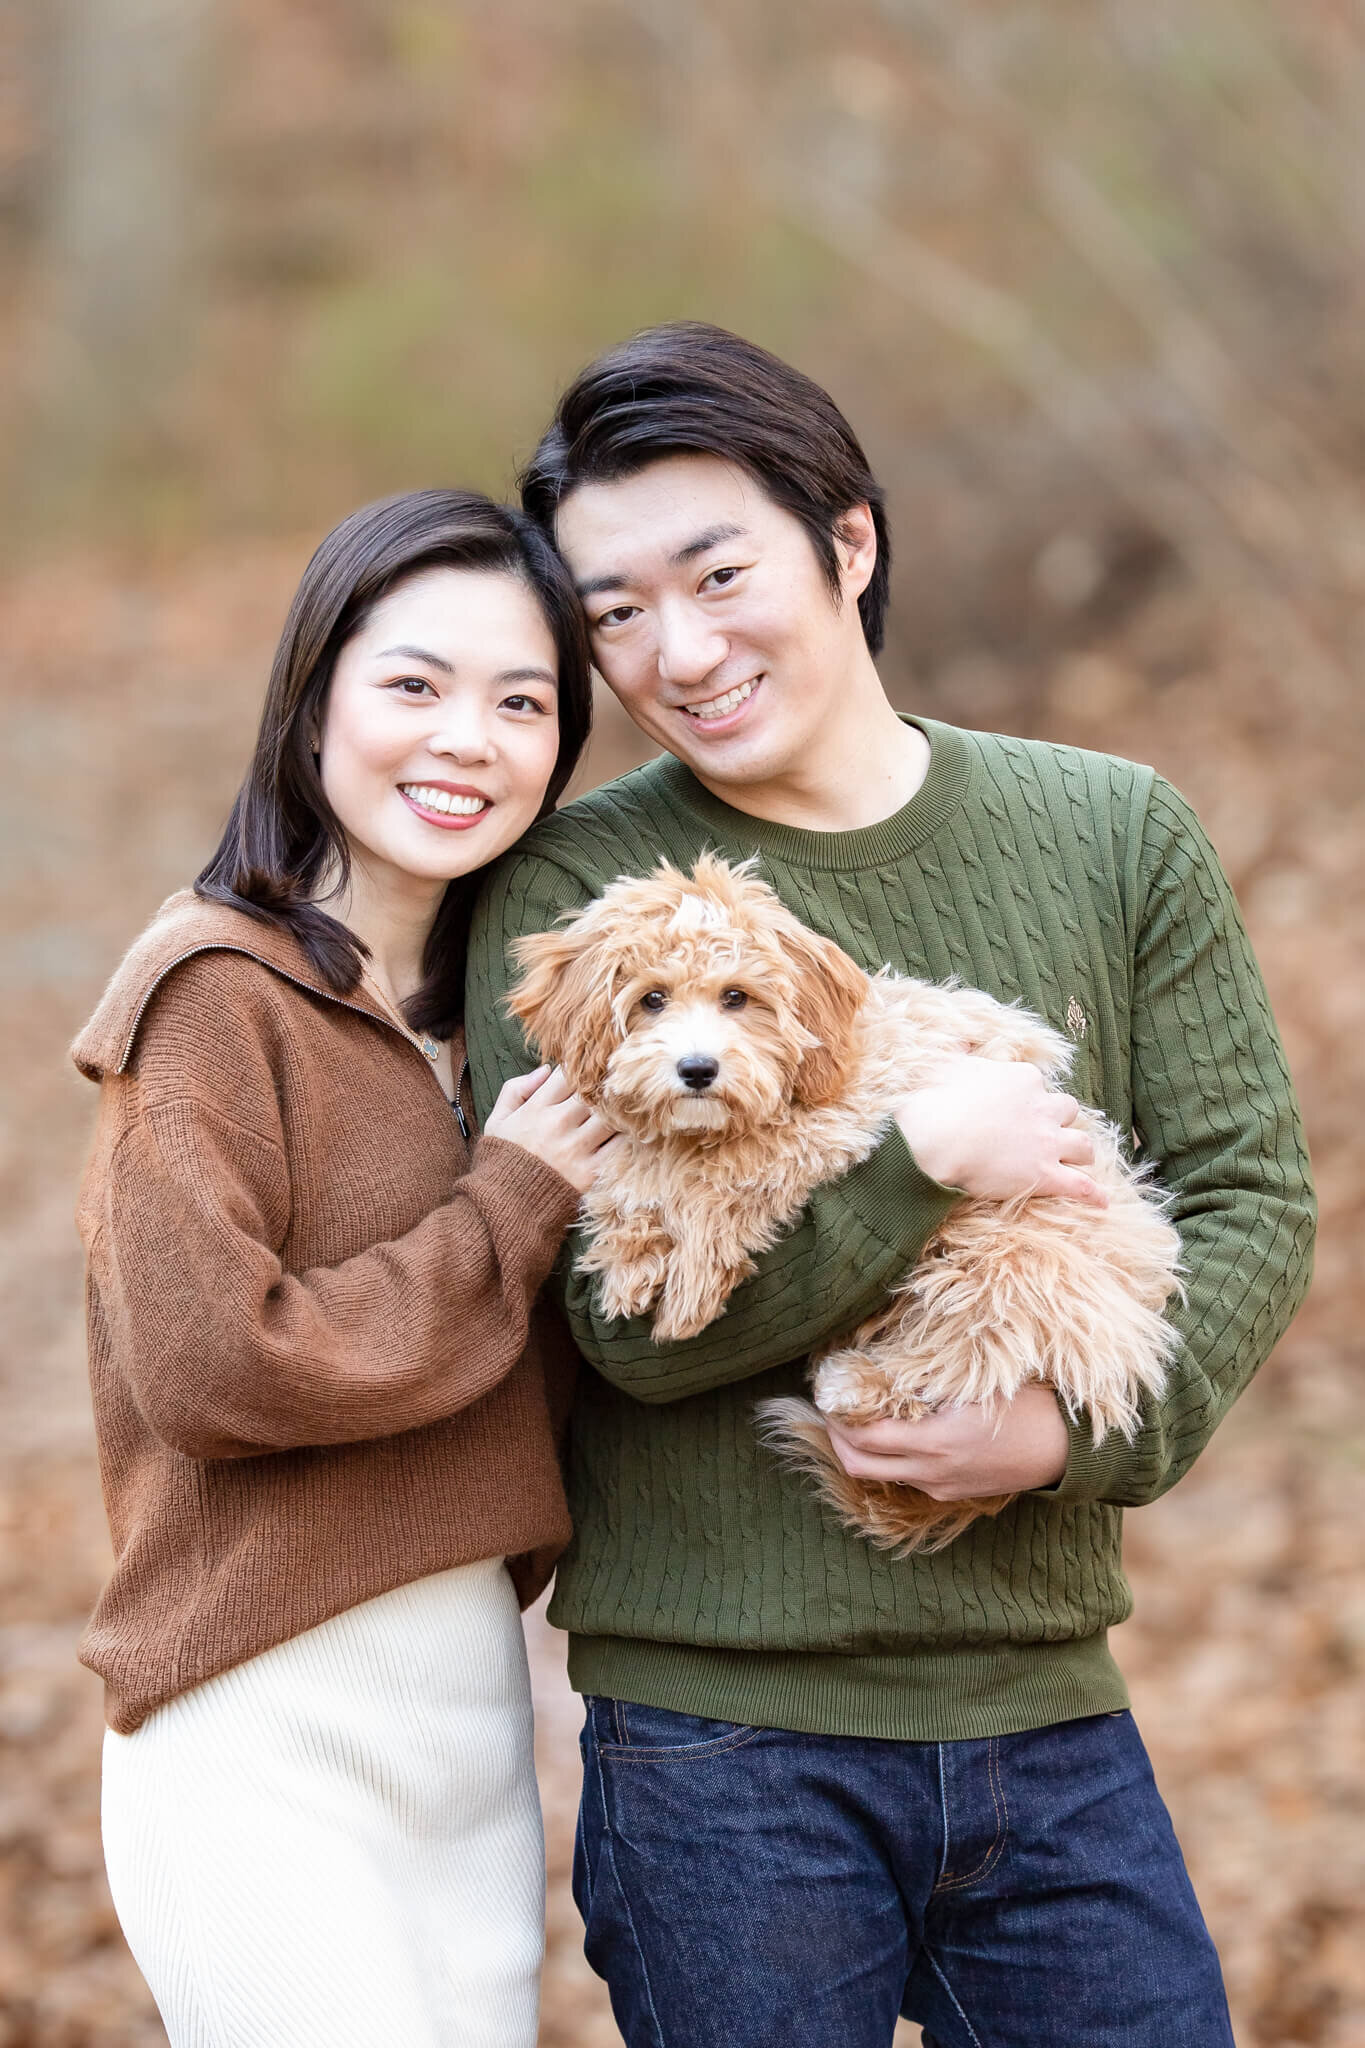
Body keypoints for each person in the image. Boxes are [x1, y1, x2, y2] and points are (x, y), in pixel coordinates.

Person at [463, 324, 1317, 2048]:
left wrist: (1072, 1439)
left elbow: (1250, 1197)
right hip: (717, 1746)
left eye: (718, 573)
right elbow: (622, 1320)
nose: (677, 650)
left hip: (1045, 1712)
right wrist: (912, 1177)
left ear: (845, 542)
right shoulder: (569, 891)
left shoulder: (1109, 830)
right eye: (614, 610)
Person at [72, 489, 619, 2048]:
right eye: (414, 686)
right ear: (311, 703)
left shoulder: (502, 1024)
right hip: (257, 1718)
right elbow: (214, 1365)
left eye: (522, 703)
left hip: (466, 1726)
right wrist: (510, 1203)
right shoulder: (209, 992)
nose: (469, 738)